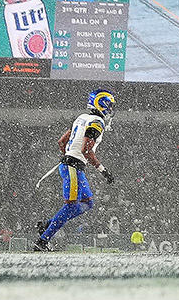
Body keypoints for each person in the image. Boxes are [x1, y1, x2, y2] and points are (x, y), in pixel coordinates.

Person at [32, 89, 118, 251]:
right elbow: (87, 151)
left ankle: (47, 224)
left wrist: (69, 155)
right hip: (73, 167)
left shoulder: (82, 118)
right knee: (71, 206)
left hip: (73, 165)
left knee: (88, 203)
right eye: (109, 106)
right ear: (102, 104)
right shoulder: (96, 122)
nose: (110, 110)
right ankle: (42, 241)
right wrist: (104, 171)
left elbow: (61, 142)